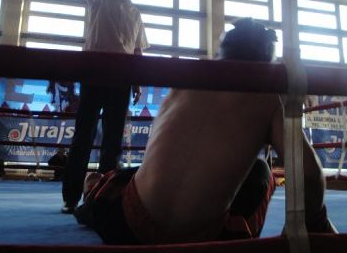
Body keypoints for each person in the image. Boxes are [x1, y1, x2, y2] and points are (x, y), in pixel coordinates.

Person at [73, 17, 337, 244]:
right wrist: (314, 223)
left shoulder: (187, 80)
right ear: (268, 63)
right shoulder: (270, 100)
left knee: (123, 179)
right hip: (201, 240)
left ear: (221, 52)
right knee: (261, 172)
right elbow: (309, 175)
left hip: (126, 227)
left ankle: (93, 195)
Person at [61, 0, 149, 213]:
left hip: (121, 81)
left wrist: (137, 81)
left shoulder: (136, 13)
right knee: (83, 138)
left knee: (112, 143)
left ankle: (103, 201)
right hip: (94, 75)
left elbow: (137, 49)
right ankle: (70, 198)